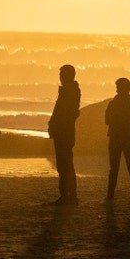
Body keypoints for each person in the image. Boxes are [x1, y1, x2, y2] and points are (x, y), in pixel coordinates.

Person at [47, 64, 80, 205]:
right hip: (63, 132)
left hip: (64, 132)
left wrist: (55, 124)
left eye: (62, 75)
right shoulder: (69, 90)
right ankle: (70, 195)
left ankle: (67, 196)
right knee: (66, 164)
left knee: (64, 164)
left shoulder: (69, 91)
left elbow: (66, 113)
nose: (60, 78)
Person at [104, 77, 130, 201]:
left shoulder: (113, 103)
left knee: (114, 168)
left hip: (116, 137)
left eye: (118, 87)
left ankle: (110, 196)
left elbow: (106, 120)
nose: (116, 89)